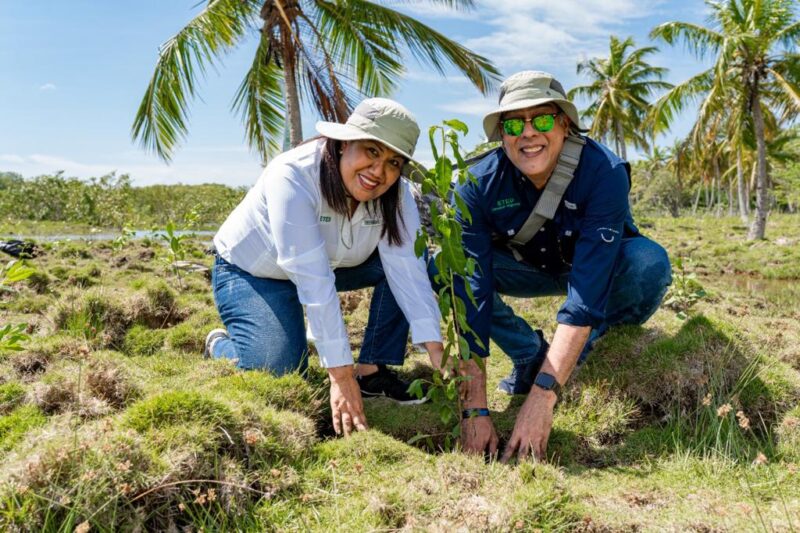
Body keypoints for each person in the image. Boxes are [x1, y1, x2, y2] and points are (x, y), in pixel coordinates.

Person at [446, 71, 671, 461]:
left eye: (543, 120)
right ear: (502, 134)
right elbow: (473, 293)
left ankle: (585, 363)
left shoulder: (604, 171)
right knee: (441, 268)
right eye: (514, 124)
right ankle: (528, 352)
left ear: (565, 125)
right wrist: (474, 409)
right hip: (523, 267)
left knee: (648, 263)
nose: (528, 133)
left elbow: (586, 291)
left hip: (593, 270)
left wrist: (541, 398)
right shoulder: (475, 183)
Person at [206, 98, 444, 437]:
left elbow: (407, 267)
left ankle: (371, 370)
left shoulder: (397, 193)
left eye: (393, 162)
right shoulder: (293, 175)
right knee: (281, 372)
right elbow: (312, 278)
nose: (379, 172)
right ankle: (221, 346)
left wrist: (437, 351)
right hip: (256, 272)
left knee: (404, 267)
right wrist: (340, 377)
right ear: (345, 142)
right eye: (372, 152)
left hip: (338, 266)